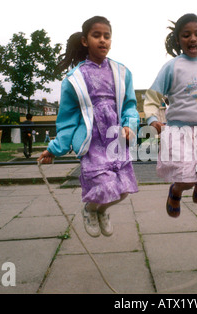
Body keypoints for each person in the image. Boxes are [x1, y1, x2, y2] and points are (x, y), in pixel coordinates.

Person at [37, 16, 139, 237]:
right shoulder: (74, 79)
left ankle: (101, 211)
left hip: (116, 139)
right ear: (85, 41)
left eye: (107, 36)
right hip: (92, 142)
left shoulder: (122, 72)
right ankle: (90, 208)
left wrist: (130, 125)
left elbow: (130, 106)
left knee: (122, 191)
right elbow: (67, 121)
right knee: (104, 187)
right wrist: (54, 149)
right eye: (96, 35)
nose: (102, 40)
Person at [143, 13, 197, 218]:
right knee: (186, 179)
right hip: (179, 130)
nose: (193, 39)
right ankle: (176, 191)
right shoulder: (172, 67)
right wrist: (152, 118)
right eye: (186, 35)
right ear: (178, 40)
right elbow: (152, 96)